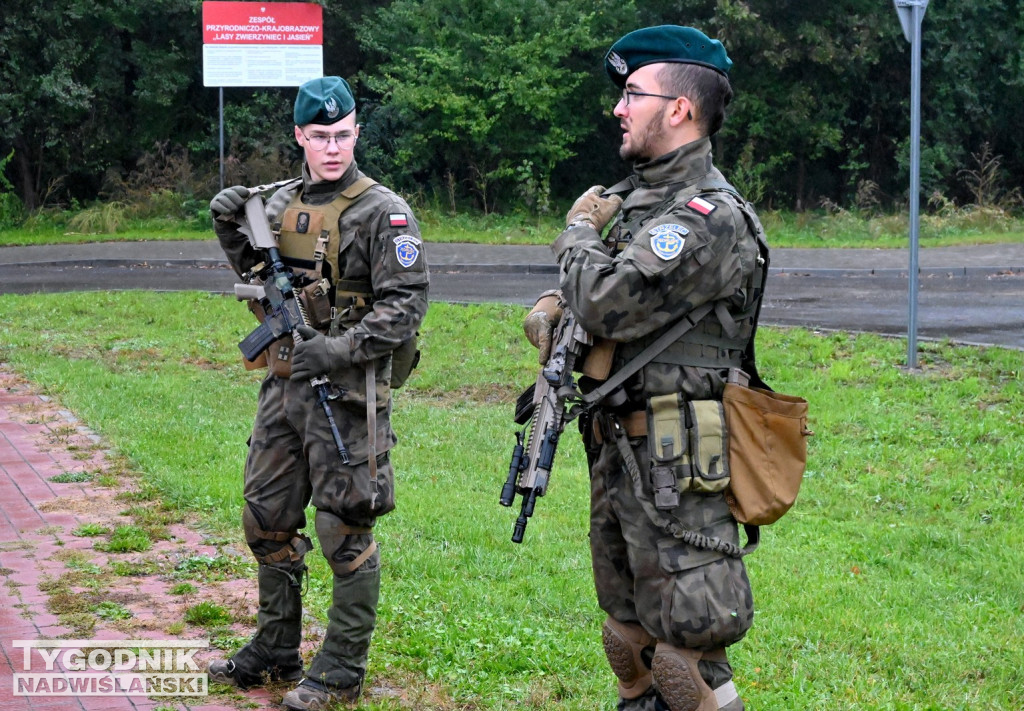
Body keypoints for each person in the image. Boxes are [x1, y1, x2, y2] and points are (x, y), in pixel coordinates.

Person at [523, 26, 769, 711]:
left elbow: (608, 298)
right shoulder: (634, 203)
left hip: (681, 457)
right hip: (619, 446)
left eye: (634, 93)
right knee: (629, 642)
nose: (619, 108)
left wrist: (574, 234)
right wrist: (553, 307)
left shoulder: (706, 217)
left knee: (687, 659)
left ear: (681, 109)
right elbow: (593, 301)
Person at [207, 76, 429, 710]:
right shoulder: (274, 206)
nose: (333, 147)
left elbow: (404, 308)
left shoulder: (384, 211)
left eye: (343, 134)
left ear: (357, 131)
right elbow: (252, 272)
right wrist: (228, 221)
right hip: (283, 388)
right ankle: (275, 648)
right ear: (299, 137)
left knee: (345, 527)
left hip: (347, 393)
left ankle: (340, 670)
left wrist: (332, 349)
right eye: (320, 136)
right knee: (266, 517)